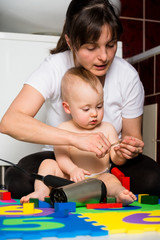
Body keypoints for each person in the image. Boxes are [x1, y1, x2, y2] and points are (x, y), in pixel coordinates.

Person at [1, 0, 160, 199]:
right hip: (62, 159)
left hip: (105, 165)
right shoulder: (55, 67)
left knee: (153, 179)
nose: (104, 56)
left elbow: (131, 140)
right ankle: (81, 191)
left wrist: (127, 150)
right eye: (91, 48)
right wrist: (76, 139)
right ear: (70, 42)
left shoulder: (127, 76)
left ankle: (72, 191)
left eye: (110, 45)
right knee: (16, 179)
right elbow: (10, 122)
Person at [21, 67, 137, 206]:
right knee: (48, 164)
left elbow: (115, 159)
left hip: (98, 179)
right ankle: (41, 191)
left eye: (99, 106)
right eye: (86, 109)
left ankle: (119, 194)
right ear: (68, 108)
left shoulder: (107, 128)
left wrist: (120, 154)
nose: (94, 113)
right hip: (70, 178)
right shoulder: (64, 129)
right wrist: (72, 170)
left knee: (110, 179)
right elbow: (61, 157)